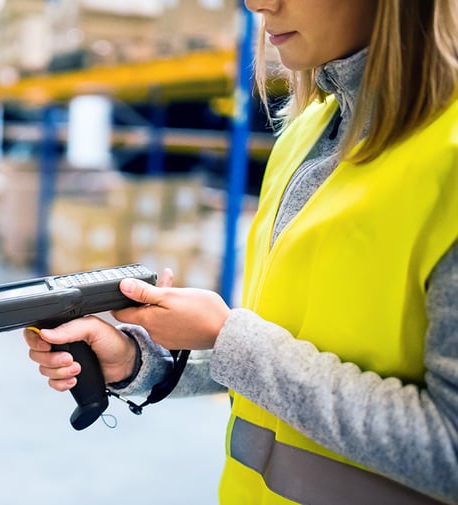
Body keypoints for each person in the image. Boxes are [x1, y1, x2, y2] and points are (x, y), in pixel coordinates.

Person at [24, 0, 458, 503]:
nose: (257, 3)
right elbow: (288, 354)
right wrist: (139, 363)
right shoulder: (304, 135)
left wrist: (228, 337)